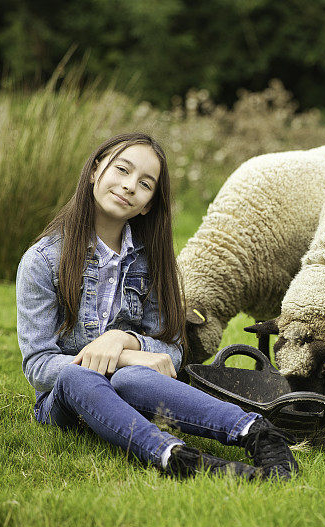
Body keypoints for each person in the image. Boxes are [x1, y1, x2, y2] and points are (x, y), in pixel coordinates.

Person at [16, 132, 298, 480]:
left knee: (132, 377)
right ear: (95, 169)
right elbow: (38, 364)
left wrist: (125, 341)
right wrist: (122, 354)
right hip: (67, 403)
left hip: (136, 394)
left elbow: (171, 351)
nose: (130, 185)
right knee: (80, 375)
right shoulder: (42, 261)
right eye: (122, 169)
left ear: (148, 203)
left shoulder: (152, 262)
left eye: (145, 183)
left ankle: (258, 433)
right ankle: (175, 457)